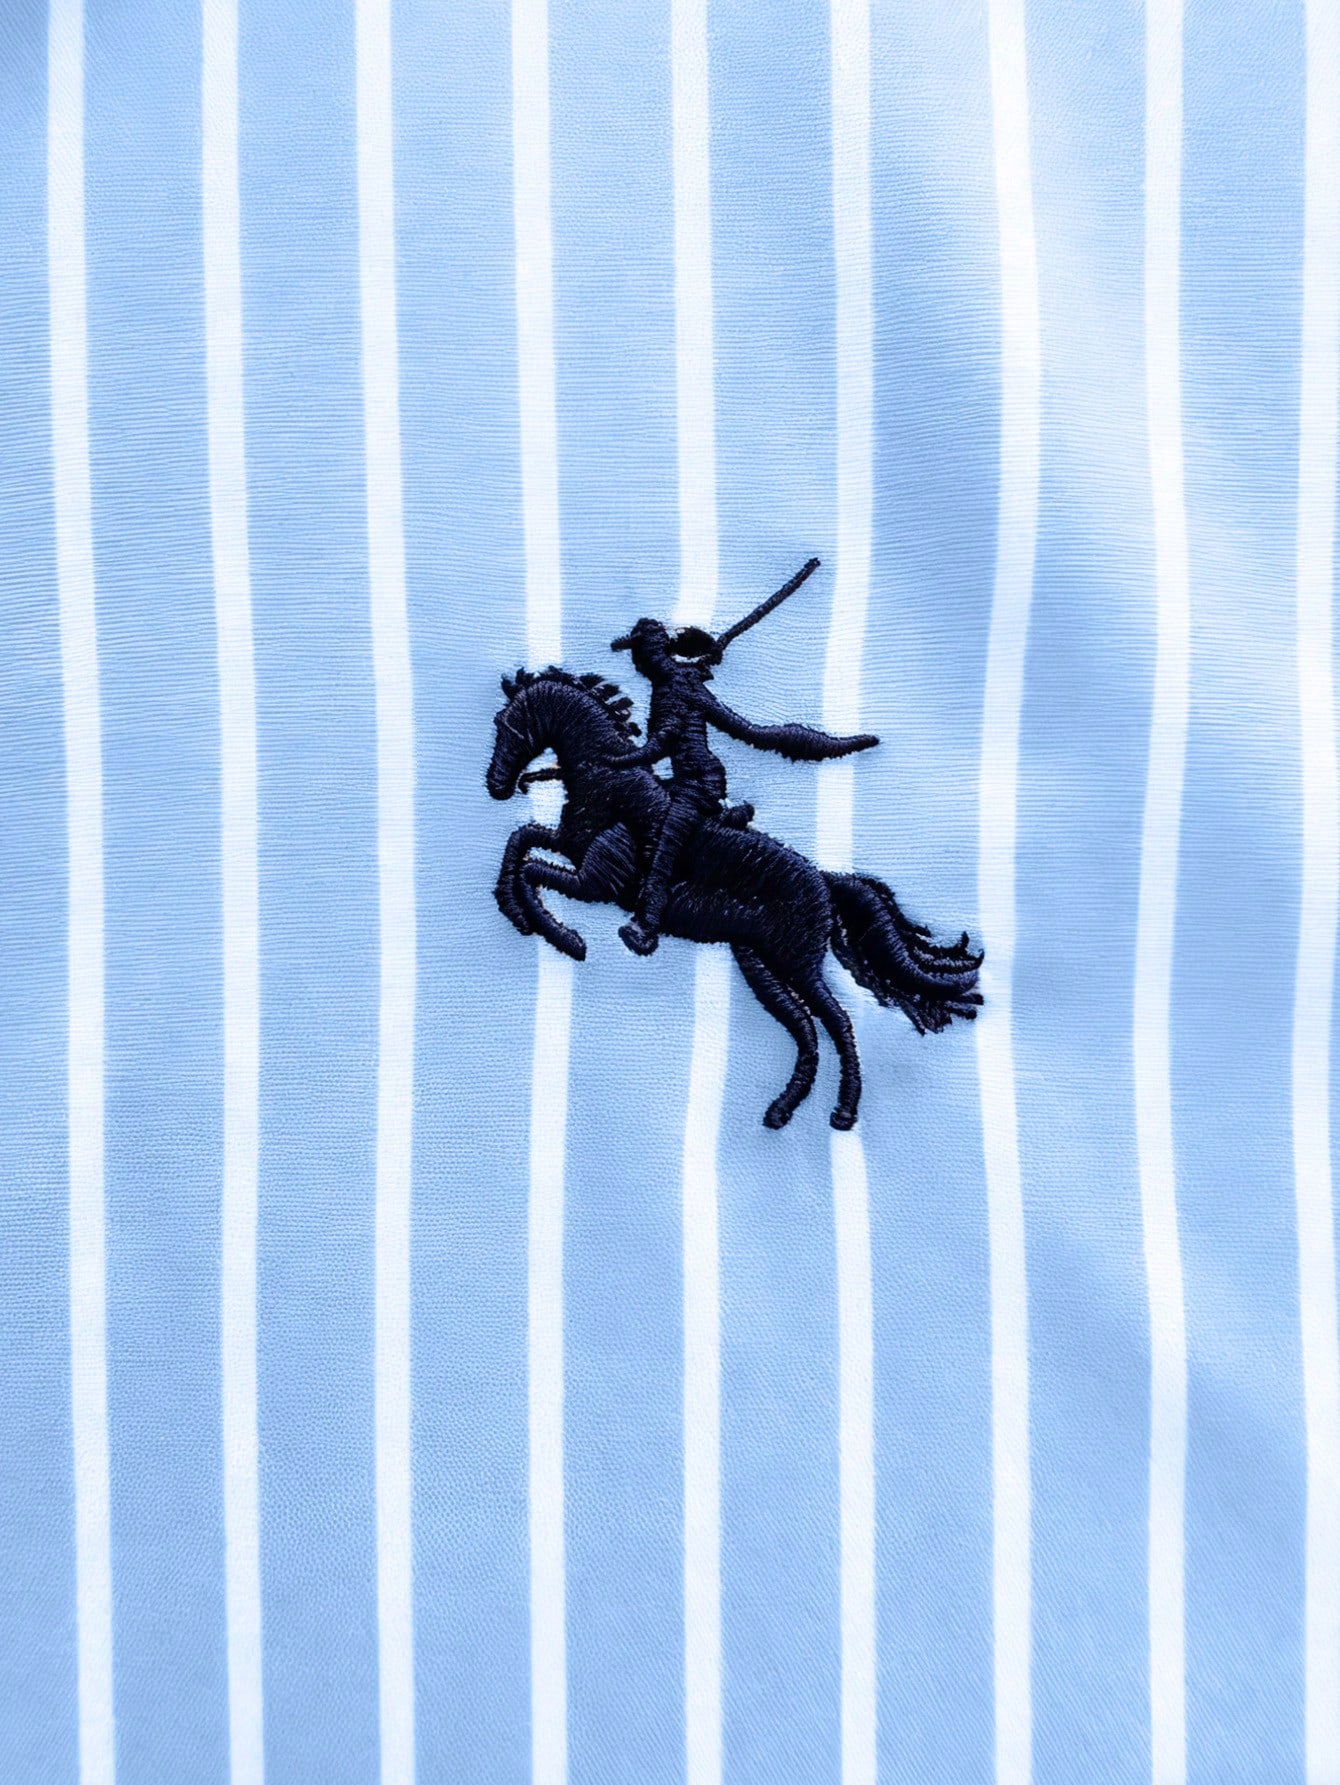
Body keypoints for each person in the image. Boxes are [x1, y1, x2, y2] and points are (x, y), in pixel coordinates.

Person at [606, 616, 879, 955]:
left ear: (649, 655)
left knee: (665, 848)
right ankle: (726, 819)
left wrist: (619, 761)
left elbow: (663, 742)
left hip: (697, 784)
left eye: (641, 654)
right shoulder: (681, 680)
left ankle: (647, 925)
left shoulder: (674, 688)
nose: (640, 662)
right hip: (685, 779)